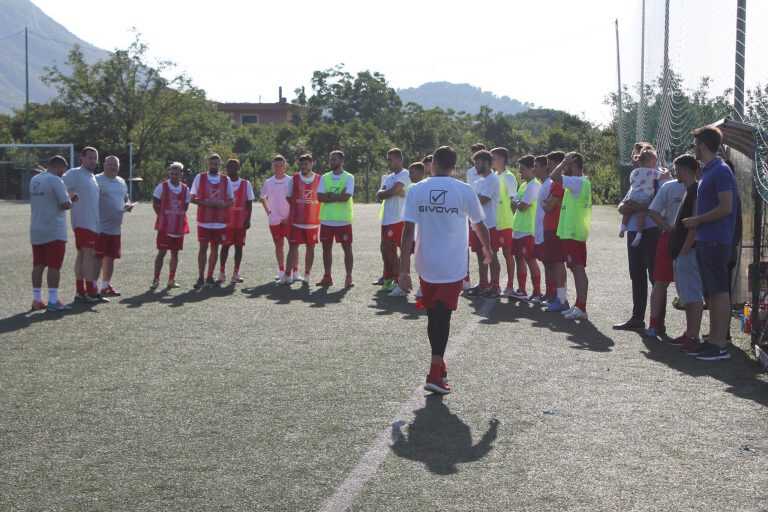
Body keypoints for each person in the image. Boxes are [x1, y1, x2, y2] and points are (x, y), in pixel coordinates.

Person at [399, 145, 491, 395]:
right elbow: (479, 225)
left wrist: (403, 271)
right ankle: (435, 371)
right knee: (443, 316)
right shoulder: (464, 190)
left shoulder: (417, 189)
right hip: (452, 265)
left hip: (425, 264)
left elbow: (407, 231)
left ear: (433, 164)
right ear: (454, 166)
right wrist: (488, 249)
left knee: (433, 315)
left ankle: (437, 363)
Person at [682, 126, 739, 361]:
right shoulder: (709, 170)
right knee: (713, 293)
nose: (694, 148)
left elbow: (726, 207)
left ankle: (719, 344)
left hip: (717, 240)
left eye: (695, 144)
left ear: (703, 145)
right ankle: (714, 339)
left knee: (719, 291)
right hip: (708, 240)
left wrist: (697, 220)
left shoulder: (721, 170)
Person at [614, 146, 661, 330]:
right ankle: (637, 317)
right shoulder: (637, 179)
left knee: (655, 277)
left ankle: (657, 322)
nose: (637, 160)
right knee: (636, 274)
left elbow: (655, 205)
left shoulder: (658, 178)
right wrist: (629, 207)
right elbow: (622, 206)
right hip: (633, 231)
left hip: (651, 231)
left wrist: (636, 207)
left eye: (641, 155)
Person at [643, 158, 687, 338]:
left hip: (690, 240)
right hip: (668, 239)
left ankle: (690, 332)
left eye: (678, 168)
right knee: (660, 282)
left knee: (689, 286)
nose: (675, 172)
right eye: (675, 168)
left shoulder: (699, 186)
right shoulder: (669, 186)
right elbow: (652, 211)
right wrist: (666, 226)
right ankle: (654, 325)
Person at [665, 155, 704, 351]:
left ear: (685, 169)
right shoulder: (689, 190)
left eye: (676, 168)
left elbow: (694, 225)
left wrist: (685, 250)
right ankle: (689, 333)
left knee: (693, 294)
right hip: (681, 251)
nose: (674, 172)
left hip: (687, 252)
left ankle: (693, 337)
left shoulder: (696, 190)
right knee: (686, 295)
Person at [551, 152, 591, 320]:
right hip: (570, 234)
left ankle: (581, 307)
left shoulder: (578, 182)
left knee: (578, 269)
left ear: (573, 164)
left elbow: (554, 176)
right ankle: (578, 306)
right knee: (575, 269)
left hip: (574, 233)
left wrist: (562, 163)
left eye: (566, 164)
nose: (563, 167)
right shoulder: (577, 183)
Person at [29, 155, 72, 312]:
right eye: (63, 170)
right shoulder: (56, 180)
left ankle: (36, 299)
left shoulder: (34, 179)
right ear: (60, 167)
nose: (63, 173)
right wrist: (72, 199)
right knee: (54, 266)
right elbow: (65, 204)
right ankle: (53, 300)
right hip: (54, 230)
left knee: (38, 265)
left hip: (36, 228)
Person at [63, 146, 105, 303]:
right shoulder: (74, 173)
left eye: (95, 158)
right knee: (88, 254)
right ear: (82, 158)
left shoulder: (91, 176)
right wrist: (70, 195)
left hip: (92, 223)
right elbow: (60, 185)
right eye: (90, 157)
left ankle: (80, 291)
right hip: (82, 222)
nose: (93, 161)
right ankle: (91, 291)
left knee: (82, 255)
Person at [190, 153, 234, 289]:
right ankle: (200, 277)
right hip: (204, 220)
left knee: (215, 249)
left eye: (217, 164)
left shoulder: (226, 180)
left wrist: (223, 205)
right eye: (212, 163)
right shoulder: (200, 177)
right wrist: (205, 203)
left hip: (220, 222)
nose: (214, 166)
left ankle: (210, 277)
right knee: (203, 248)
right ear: (208, 164)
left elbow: (231, 200)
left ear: (220, 165)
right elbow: (192, 198)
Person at [95, 155, 133, 297]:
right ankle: (92, 287)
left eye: (115, 165)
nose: (112, 167)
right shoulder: (97, 180)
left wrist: (128, 204)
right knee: (97, 258)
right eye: (110, 164)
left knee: (110, 257)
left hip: (116, 227)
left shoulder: (121, 181)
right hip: (99, 227)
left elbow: (125, 198)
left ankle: (105, 286)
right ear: (104, 165)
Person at [464, 150, 501, 297]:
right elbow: (472, 200)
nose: (476, 166)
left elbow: (481, 200)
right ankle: (483, 284)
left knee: (491, 255)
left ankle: (495, 286)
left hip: (489, 224)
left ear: (487, 163)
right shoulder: (479, 181)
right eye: (475, 163)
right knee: (480, 255)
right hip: (476, 224)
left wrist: (473, 200)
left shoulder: (493, 179)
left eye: (479, 162)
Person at [317, 150, 355, 289]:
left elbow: (346, 197)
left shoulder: (349, 177)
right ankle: (327, 276)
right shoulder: (324, 177)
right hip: (327, 220)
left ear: (342, 161)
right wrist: (338, 195)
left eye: (335, 159)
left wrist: (330, 196)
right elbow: (320, 197)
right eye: (330, 159)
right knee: (326, 249)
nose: (332, 162)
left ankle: (348, 276)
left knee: (347, 249)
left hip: (343, 220)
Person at [375, 148, 411, 291]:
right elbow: (380, 195)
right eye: (388, 159)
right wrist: (387, 193)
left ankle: (399, 280)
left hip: (399, 219)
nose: (389, 162)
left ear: (399, 159)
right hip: (386, 219)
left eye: (391, 159)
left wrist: (386, 192)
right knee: (385, 249)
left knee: (399, 251)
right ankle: (388, 277)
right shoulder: (388, 177)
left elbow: (392, 191)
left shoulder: (405, 174)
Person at [152, 162, 191, 289]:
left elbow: (185, 206)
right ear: (169, 173)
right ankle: (156, 279)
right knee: (162, 252)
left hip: (178, 227)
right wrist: (163, 217)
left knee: (175, 254)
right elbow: (155, 203)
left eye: (177, 173)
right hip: (165, 227)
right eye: (172, 173)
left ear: (181, 174)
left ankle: (171, 279)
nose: (174, 175)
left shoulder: (185, 189)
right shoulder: (162, 187)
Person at [286, 153, 321, 285]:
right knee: (293, 247)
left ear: (312, 164)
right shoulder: (294, 178)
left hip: (313, 221)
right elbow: (288, 197)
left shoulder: (319, 179)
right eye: (301, 164)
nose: (304, 166)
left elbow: (321, 197)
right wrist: (299, 208)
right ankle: (288, 275)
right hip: (297, 221)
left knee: (310, 248)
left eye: (306, 163)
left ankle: (307, 274)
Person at [510, 155, 542, 301]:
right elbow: (514, 204)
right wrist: (517, 202)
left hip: (528, 229)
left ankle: (537, 292)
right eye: (519, 170)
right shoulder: (524, 185)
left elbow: (522, 206)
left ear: (532, 169)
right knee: (519, 259)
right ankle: (522, 290)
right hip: (517, 228)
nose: (520, 173)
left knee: (530, 259)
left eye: (522, 169)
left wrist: (517, 202)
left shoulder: (535, 185)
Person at [218, 158, 254, 285]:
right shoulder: (222, 183)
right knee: (225, 247)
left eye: (234, 167)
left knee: (239, 248)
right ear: (226, 169)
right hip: (226, 222)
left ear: (239, 168)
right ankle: (221, 273)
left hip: (240, 222)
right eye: (229, 167)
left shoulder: (246, 184)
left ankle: (236, 273)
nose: (231, 169)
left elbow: (249, 203)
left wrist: (248, 219)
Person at [619, 150, 666, 245]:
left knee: (627, 211)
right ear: (650, 161)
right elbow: (663, 176)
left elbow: (632, 182)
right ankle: (639, 233)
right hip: (645, 196)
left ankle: (622, 228)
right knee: (641, 213)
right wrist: (666, 172)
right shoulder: (652, 172)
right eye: (654, 161)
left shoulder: (634, 172)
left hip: (633, 194)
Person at [490, 147, 519, 298]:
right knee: (492, 254)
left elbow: (514, 201)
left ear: (501, 159)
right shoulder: (494, 175)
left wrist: (512, 220)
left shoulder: (508, 176)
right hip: (493, 223)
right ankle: (494, 284)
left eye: (493, 158)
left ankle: (509, 286)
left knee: (508, 254)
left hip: (506, 223)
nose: (491, 161)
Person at [260, 155, 293, 283]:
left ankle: (294, 272)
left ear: (285, 166)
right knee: (278, 245)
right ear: (272, 167)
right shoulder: (268, 182)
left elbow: (294, 199)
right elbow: (263, 197)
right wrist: (268, 211)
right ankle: (281, 271)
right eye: (276, 165)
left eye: (281, 165)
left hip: (288, 219)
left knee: (292, 246)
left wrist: (289, 216)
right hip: (274, 220)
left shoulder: (291, 180)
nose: (278, 167)